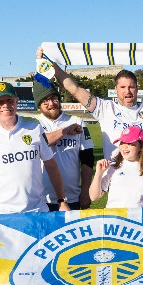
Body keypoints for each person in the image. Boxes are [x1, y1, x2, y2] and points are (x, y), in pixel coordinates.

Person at [39, 46, 143, 160]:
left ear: (136, 89)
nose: (127, 91)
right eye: (123, 87)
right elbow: (74, 89)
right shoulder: (105, 108)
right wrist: (52, 65)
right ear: (116, 89)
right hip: (116, 180)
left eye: (131, 87)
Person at [0, 82, 70, 215]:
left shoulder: (34, 126)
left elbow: (50, 164)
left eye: (9, 100)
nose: (6, 105)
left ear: (16, 101)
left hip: (37, 210)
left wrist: (61, 200)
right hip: (0, 213)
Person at [32, 78, 94, 210]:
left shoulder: (78, 121)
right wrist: (64, 131)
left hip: (72, 198)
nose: (51, 104)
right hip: (41, 199)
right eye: (45, 100)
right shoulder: (32, 125)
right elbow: (41, 141)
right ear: (38, 104)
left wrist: (85, 192)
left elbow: (87, 161)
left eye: (54, 98)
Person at [90, 126, 143, 216]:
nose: (124, 147)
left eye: (130, 143)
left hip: (141, 220)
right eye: (122, 143)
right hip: (114, 220)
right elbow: (94, 197)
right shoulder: (112, 166)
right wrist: (98, 173)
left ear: (141, 146)